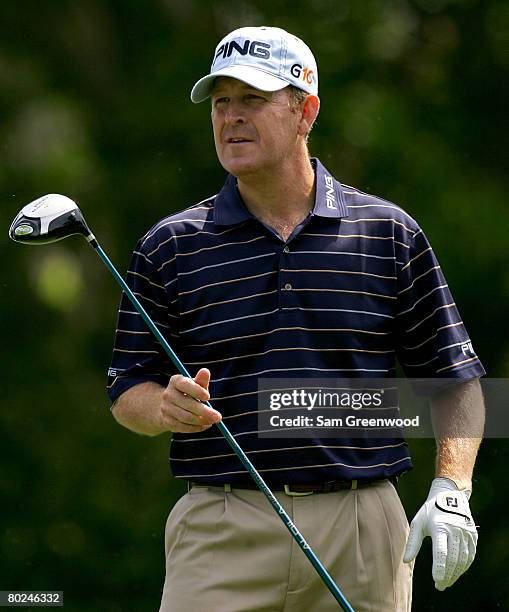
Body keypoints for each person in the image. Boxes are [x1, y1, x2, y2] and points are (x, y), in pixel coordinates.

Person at [107, 26, 485, 612]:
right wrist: (161, 408)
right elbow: (125, 387)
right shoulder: (171, 246)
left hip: (362, 531)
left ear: (305, 111)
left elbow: (455, 379)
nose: (231, 117)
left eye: (252, 100)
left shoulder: (386, 234)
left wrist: (452, 490)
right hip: (221, 526)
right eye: (220, 102)